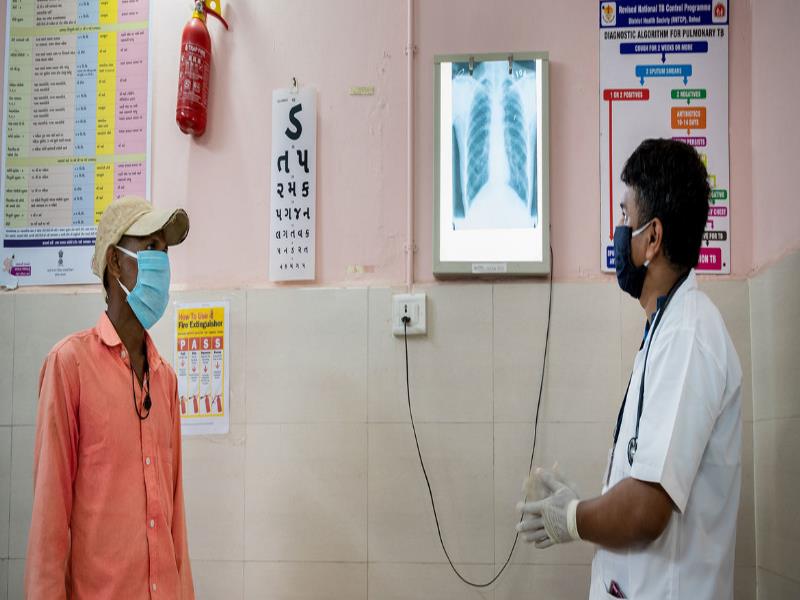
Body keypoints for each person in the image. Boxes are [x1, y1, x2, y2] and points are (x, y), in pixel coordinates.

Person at [518, 139, 742, 599]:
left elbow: (646, 511)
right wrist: (593, 502)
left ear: (653, 238)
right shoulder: (665, 329)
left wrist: (573, 516)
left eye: (625, 218)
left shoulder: (688, 335)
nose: (618, 234)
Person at [25, 196, 195, 599]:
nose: (162, 262)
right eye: (150, 248)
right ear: (115, 262)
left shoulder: (164, 379)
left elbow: (176, 522)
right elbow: (49, 522)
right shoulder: (70, 366)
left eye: (165, 250)